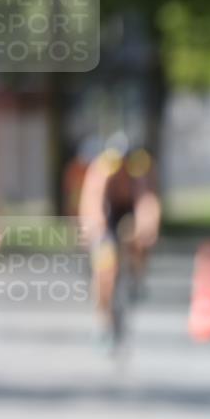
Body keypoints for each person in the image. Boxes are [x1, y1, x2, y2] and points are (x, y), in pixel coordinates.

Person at [78, 138, 161, 344]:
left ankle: (136, 274)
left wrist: (147, 227)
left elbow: (147, 202)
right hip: (106, 215)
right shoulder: (101, 171)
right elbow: (92, 204)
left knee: (140, 237)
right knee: (105, 268)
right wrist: (96, 232)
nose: (122, 168)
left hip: (127, 212)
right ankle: (102, 317)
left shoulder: (138, 171)